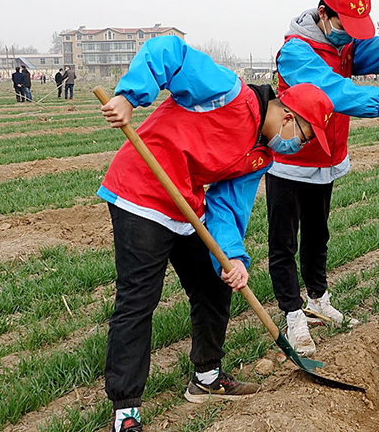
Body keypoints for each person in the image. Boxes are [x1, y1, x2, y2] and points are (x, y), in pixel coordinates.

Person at [97, 35, 335, 432]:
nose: (298, 148)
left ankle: (206, 377)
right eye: (305, 138)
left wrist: (235, 259)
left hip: (184, 205)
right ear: (291, 117)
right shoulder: (226, 92)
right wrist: (129, 95)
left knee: (215, 281)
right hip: (139, 193)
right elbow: (168, 52)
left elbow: (226, 208)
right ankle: (126, 410)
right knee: (139, 298)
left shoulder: (261, 155)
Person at [268, 0, 379, 356]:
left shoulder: (343, 44)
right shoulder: (295, 51)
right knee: (284, 241)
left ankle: (317, 298)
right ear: (323, 14)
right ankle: (292, 314)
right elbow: (329, 89)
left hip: (327, 158)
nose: (347, 38)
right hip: (290, 160)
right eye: (343, 28)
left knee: (318, 233)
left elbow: (369, 54)